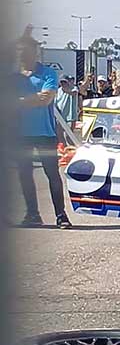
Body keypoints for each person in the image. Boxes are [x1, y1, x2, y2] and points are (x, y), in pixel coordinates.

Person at [12, 27, 72, 228]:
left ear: (33, 52)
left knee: (52, 175)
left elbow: (46, 98)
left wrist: (17, 101)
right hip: (21, 135)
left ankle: (61, 215)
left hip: (45, 133)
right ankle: (32, 214)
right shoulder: (15, 77)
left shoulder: (48, 73)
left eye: (25, 50)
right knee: (24, 175)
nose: (21, 54)